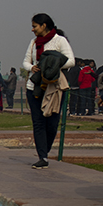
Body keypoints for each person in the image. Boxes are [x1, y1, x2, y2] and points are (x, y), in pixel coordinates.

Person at [22, 13, 74, 168]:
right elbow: (25, 61)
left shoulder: (59, 40)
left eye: (34, 26)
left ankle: (45, 150)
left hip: (53, 88)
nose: (32, 30)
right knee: (38, 123)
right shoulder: (34, 43)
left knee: (51, 123)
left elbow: (71, 61)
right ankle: (42, 156)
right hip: (34, 87)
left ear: (43, 25)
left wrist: (52, 66)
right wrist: (32, 67)